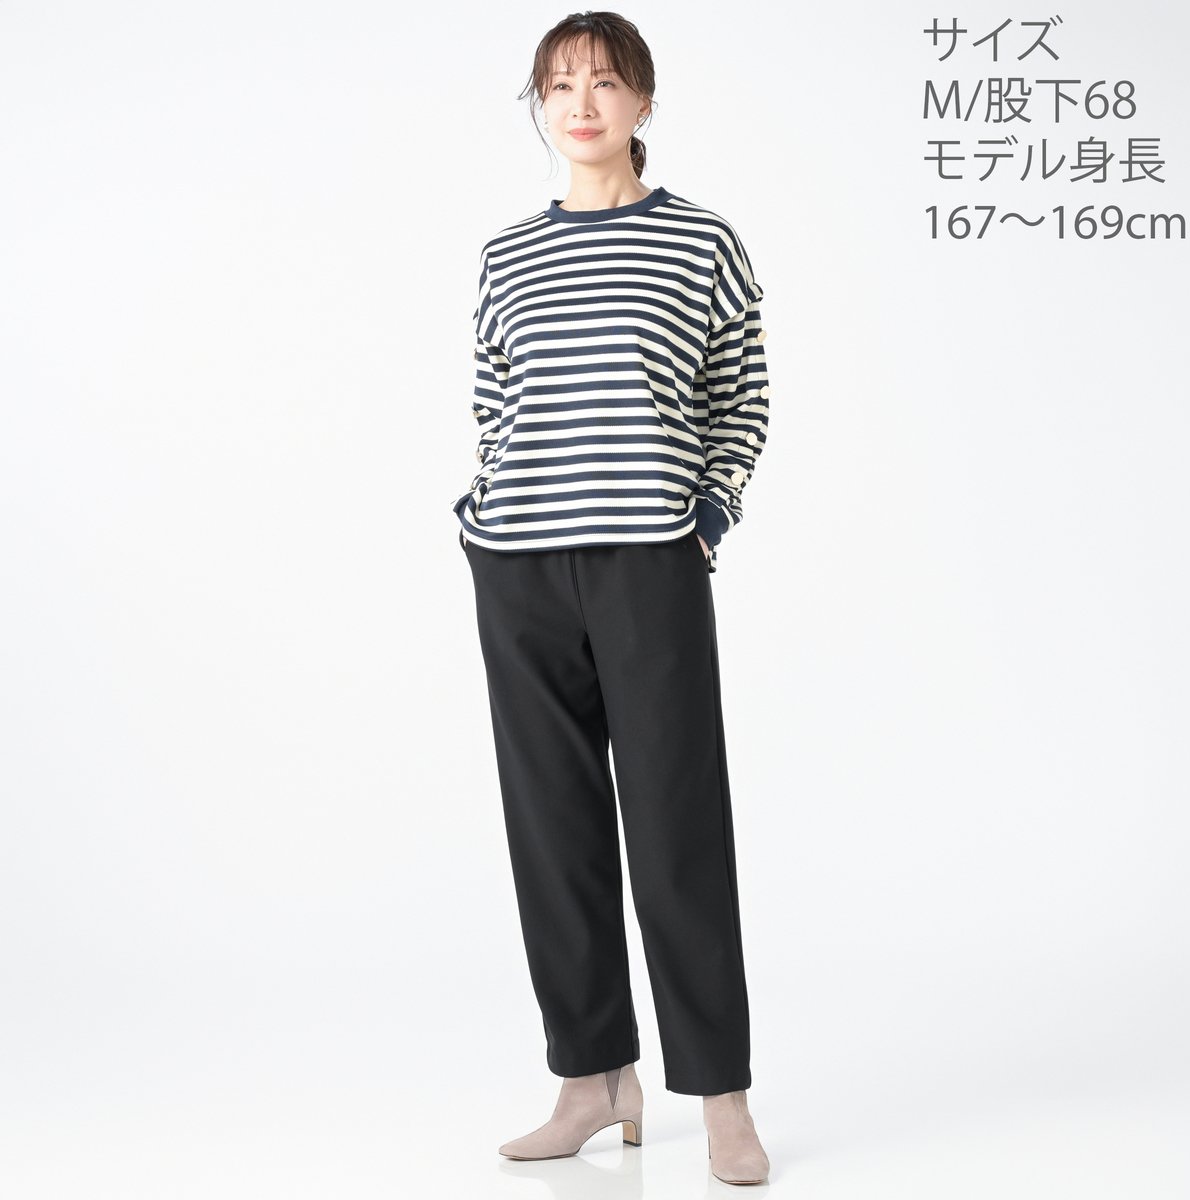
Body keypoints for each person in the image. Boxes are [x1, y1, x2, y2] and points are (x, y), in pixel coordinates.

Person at [454, 10, 772, 1186]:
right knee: (554, 830)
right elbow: (495, 399)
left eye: (602, 82)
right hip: (521, 564)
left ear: (643, 100)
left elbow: (741, 394)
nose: (579, 104)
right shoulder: (507, 254)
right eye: (557, 85)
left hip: (648, 558)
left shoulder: (701, 241)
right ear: (538, 106)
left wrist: (708, 513)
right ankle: (592, 1081)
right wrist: (482, 515)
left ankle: (722, 1096)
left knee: (678, 828)